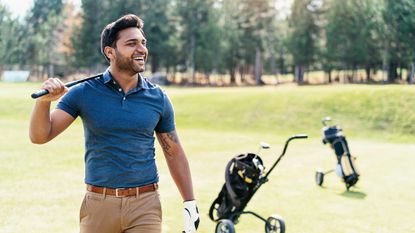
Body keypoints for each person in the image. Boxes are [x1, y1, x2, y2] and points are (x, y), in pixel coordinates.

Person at [29, 14, 199, 233]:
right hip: (99, 204)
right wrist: (44, 103)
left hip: (145, 204)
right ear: (110, 52)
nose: (141, 49)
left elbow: (174, 152)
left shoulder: (158, 98)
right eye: (131, 43)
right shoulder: (84, 92)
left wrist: (190, 203)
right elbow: (40, 136)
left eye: (143, 43)